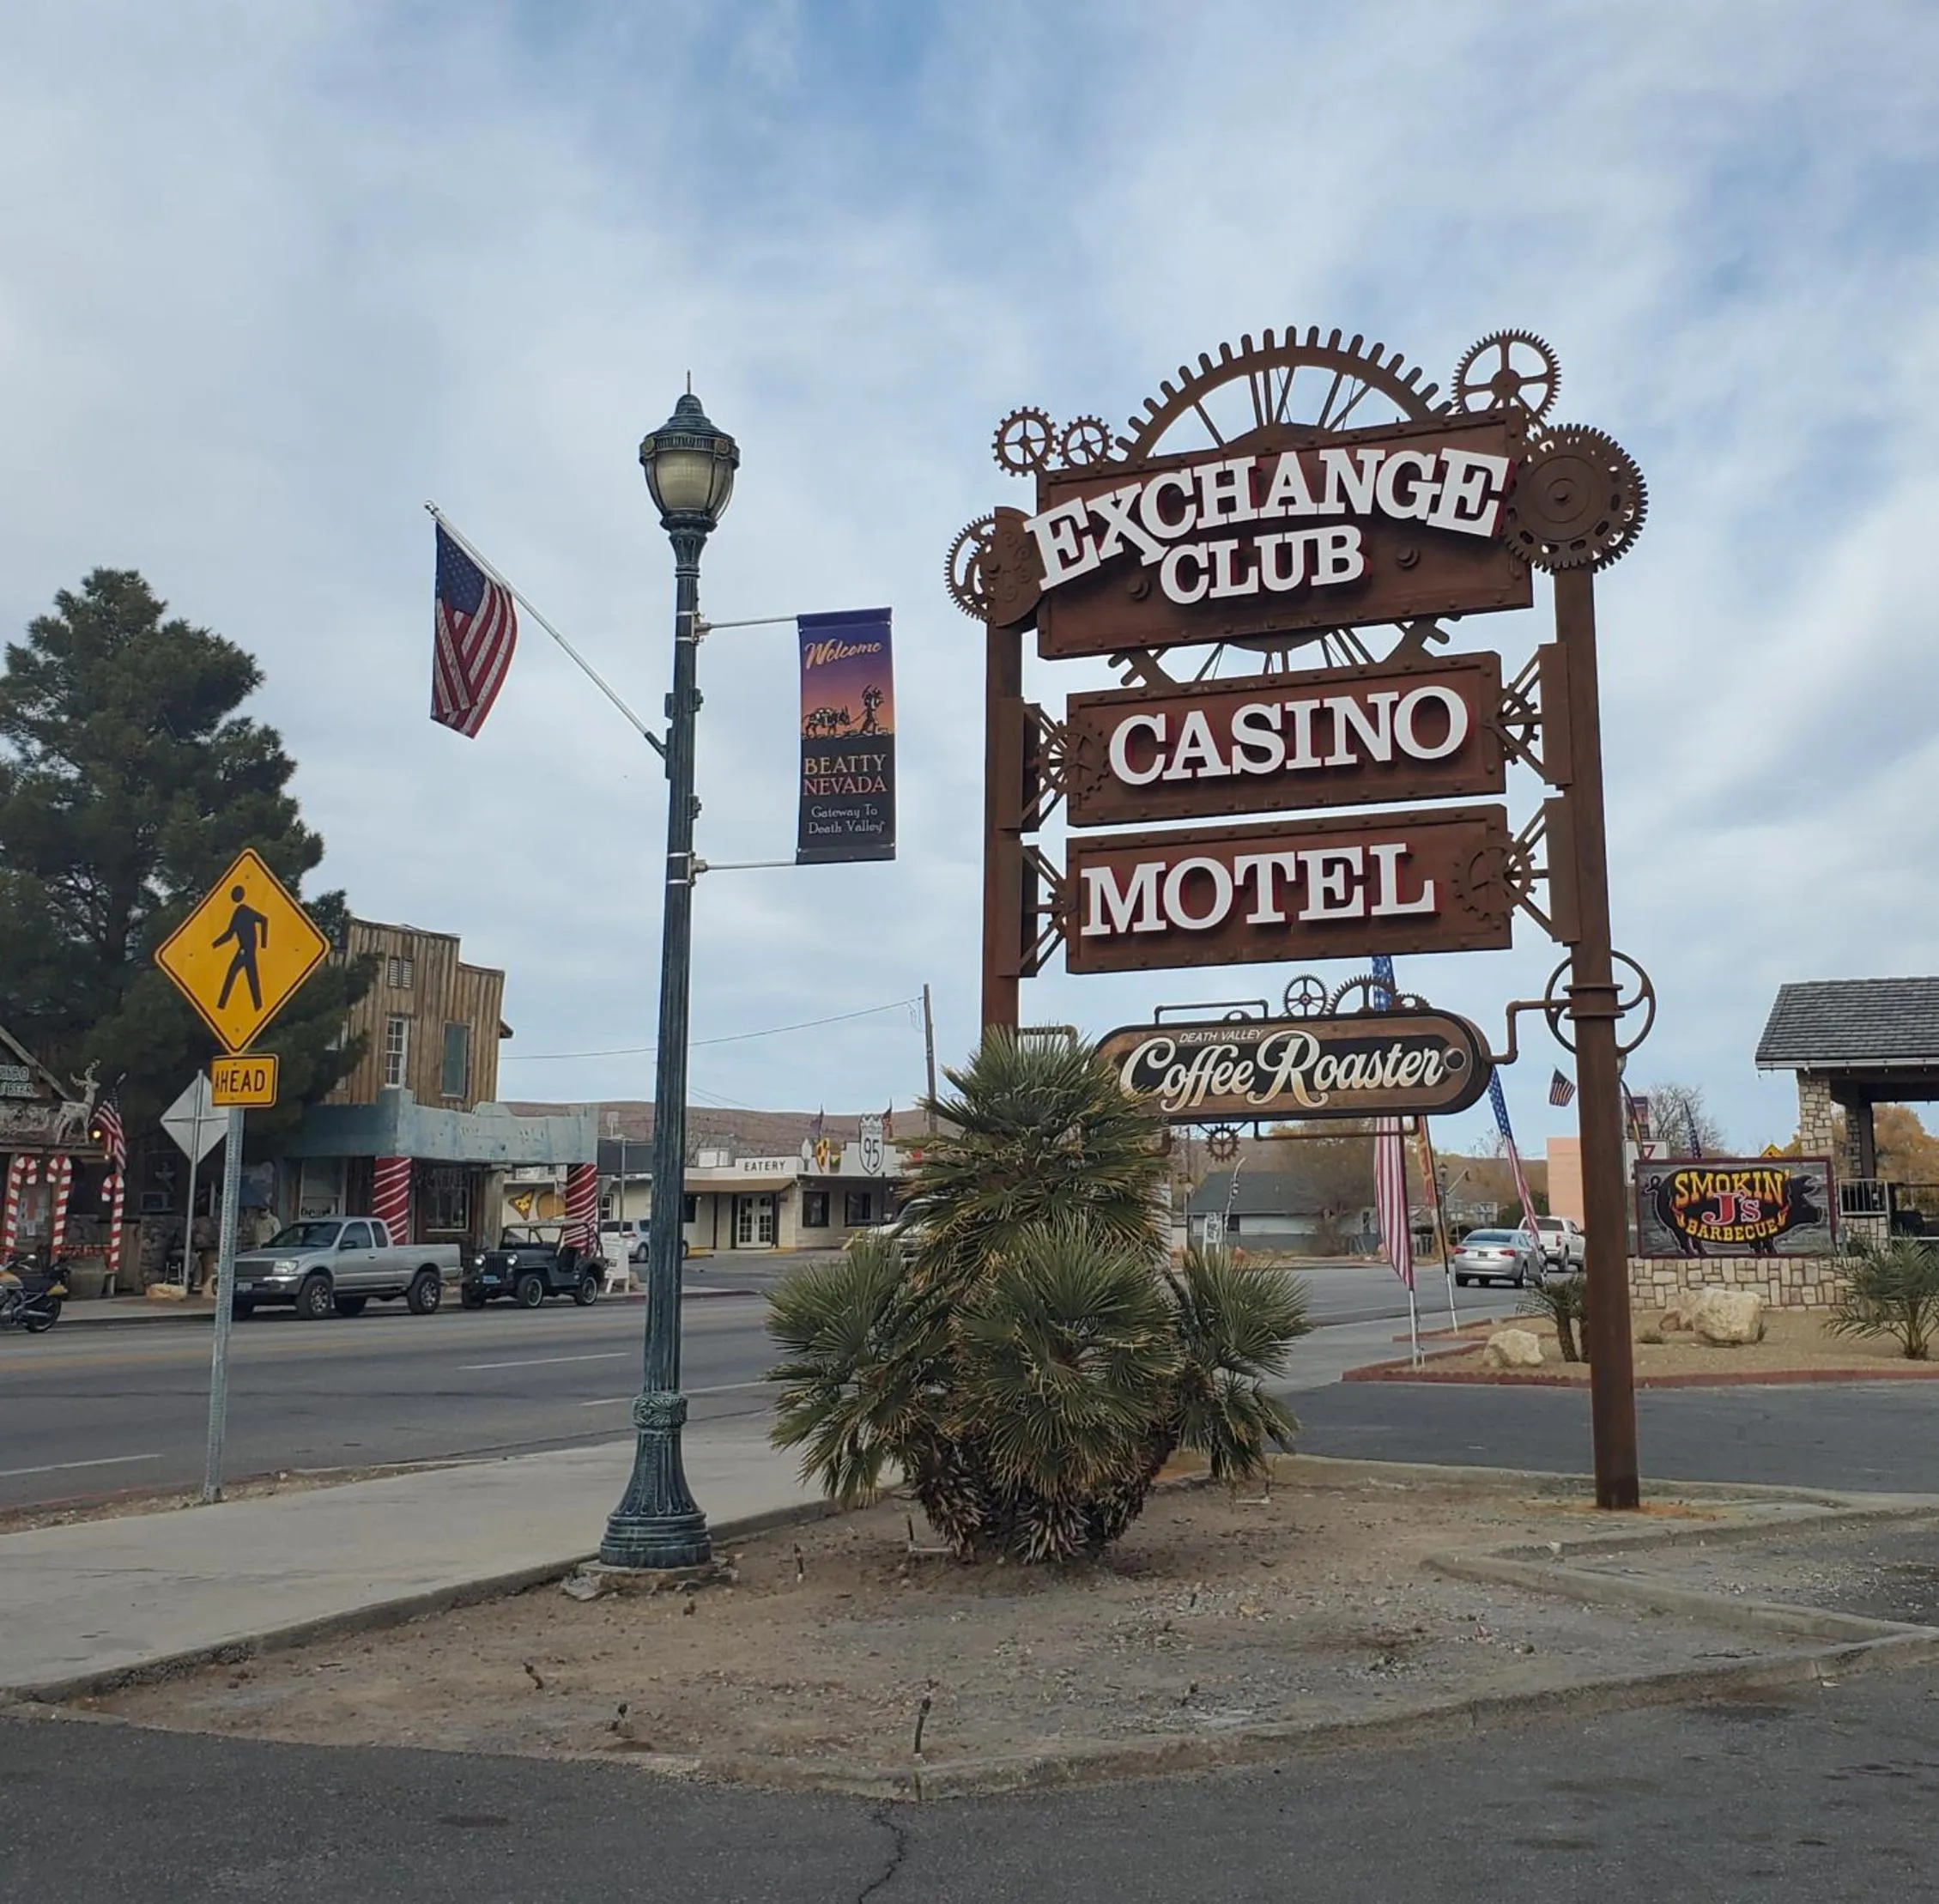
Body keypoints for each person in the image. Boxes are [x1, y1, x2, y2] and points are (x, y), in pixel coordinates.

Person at [191, 1210, 217, 1297]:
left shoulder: (207, 1234)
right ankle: (196, 1282)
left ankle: (206, 1282)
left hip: (201, 1250)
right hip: (186, 1249)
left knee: (207, 1259)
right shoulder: (192, 1230)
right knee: (195, 1258)